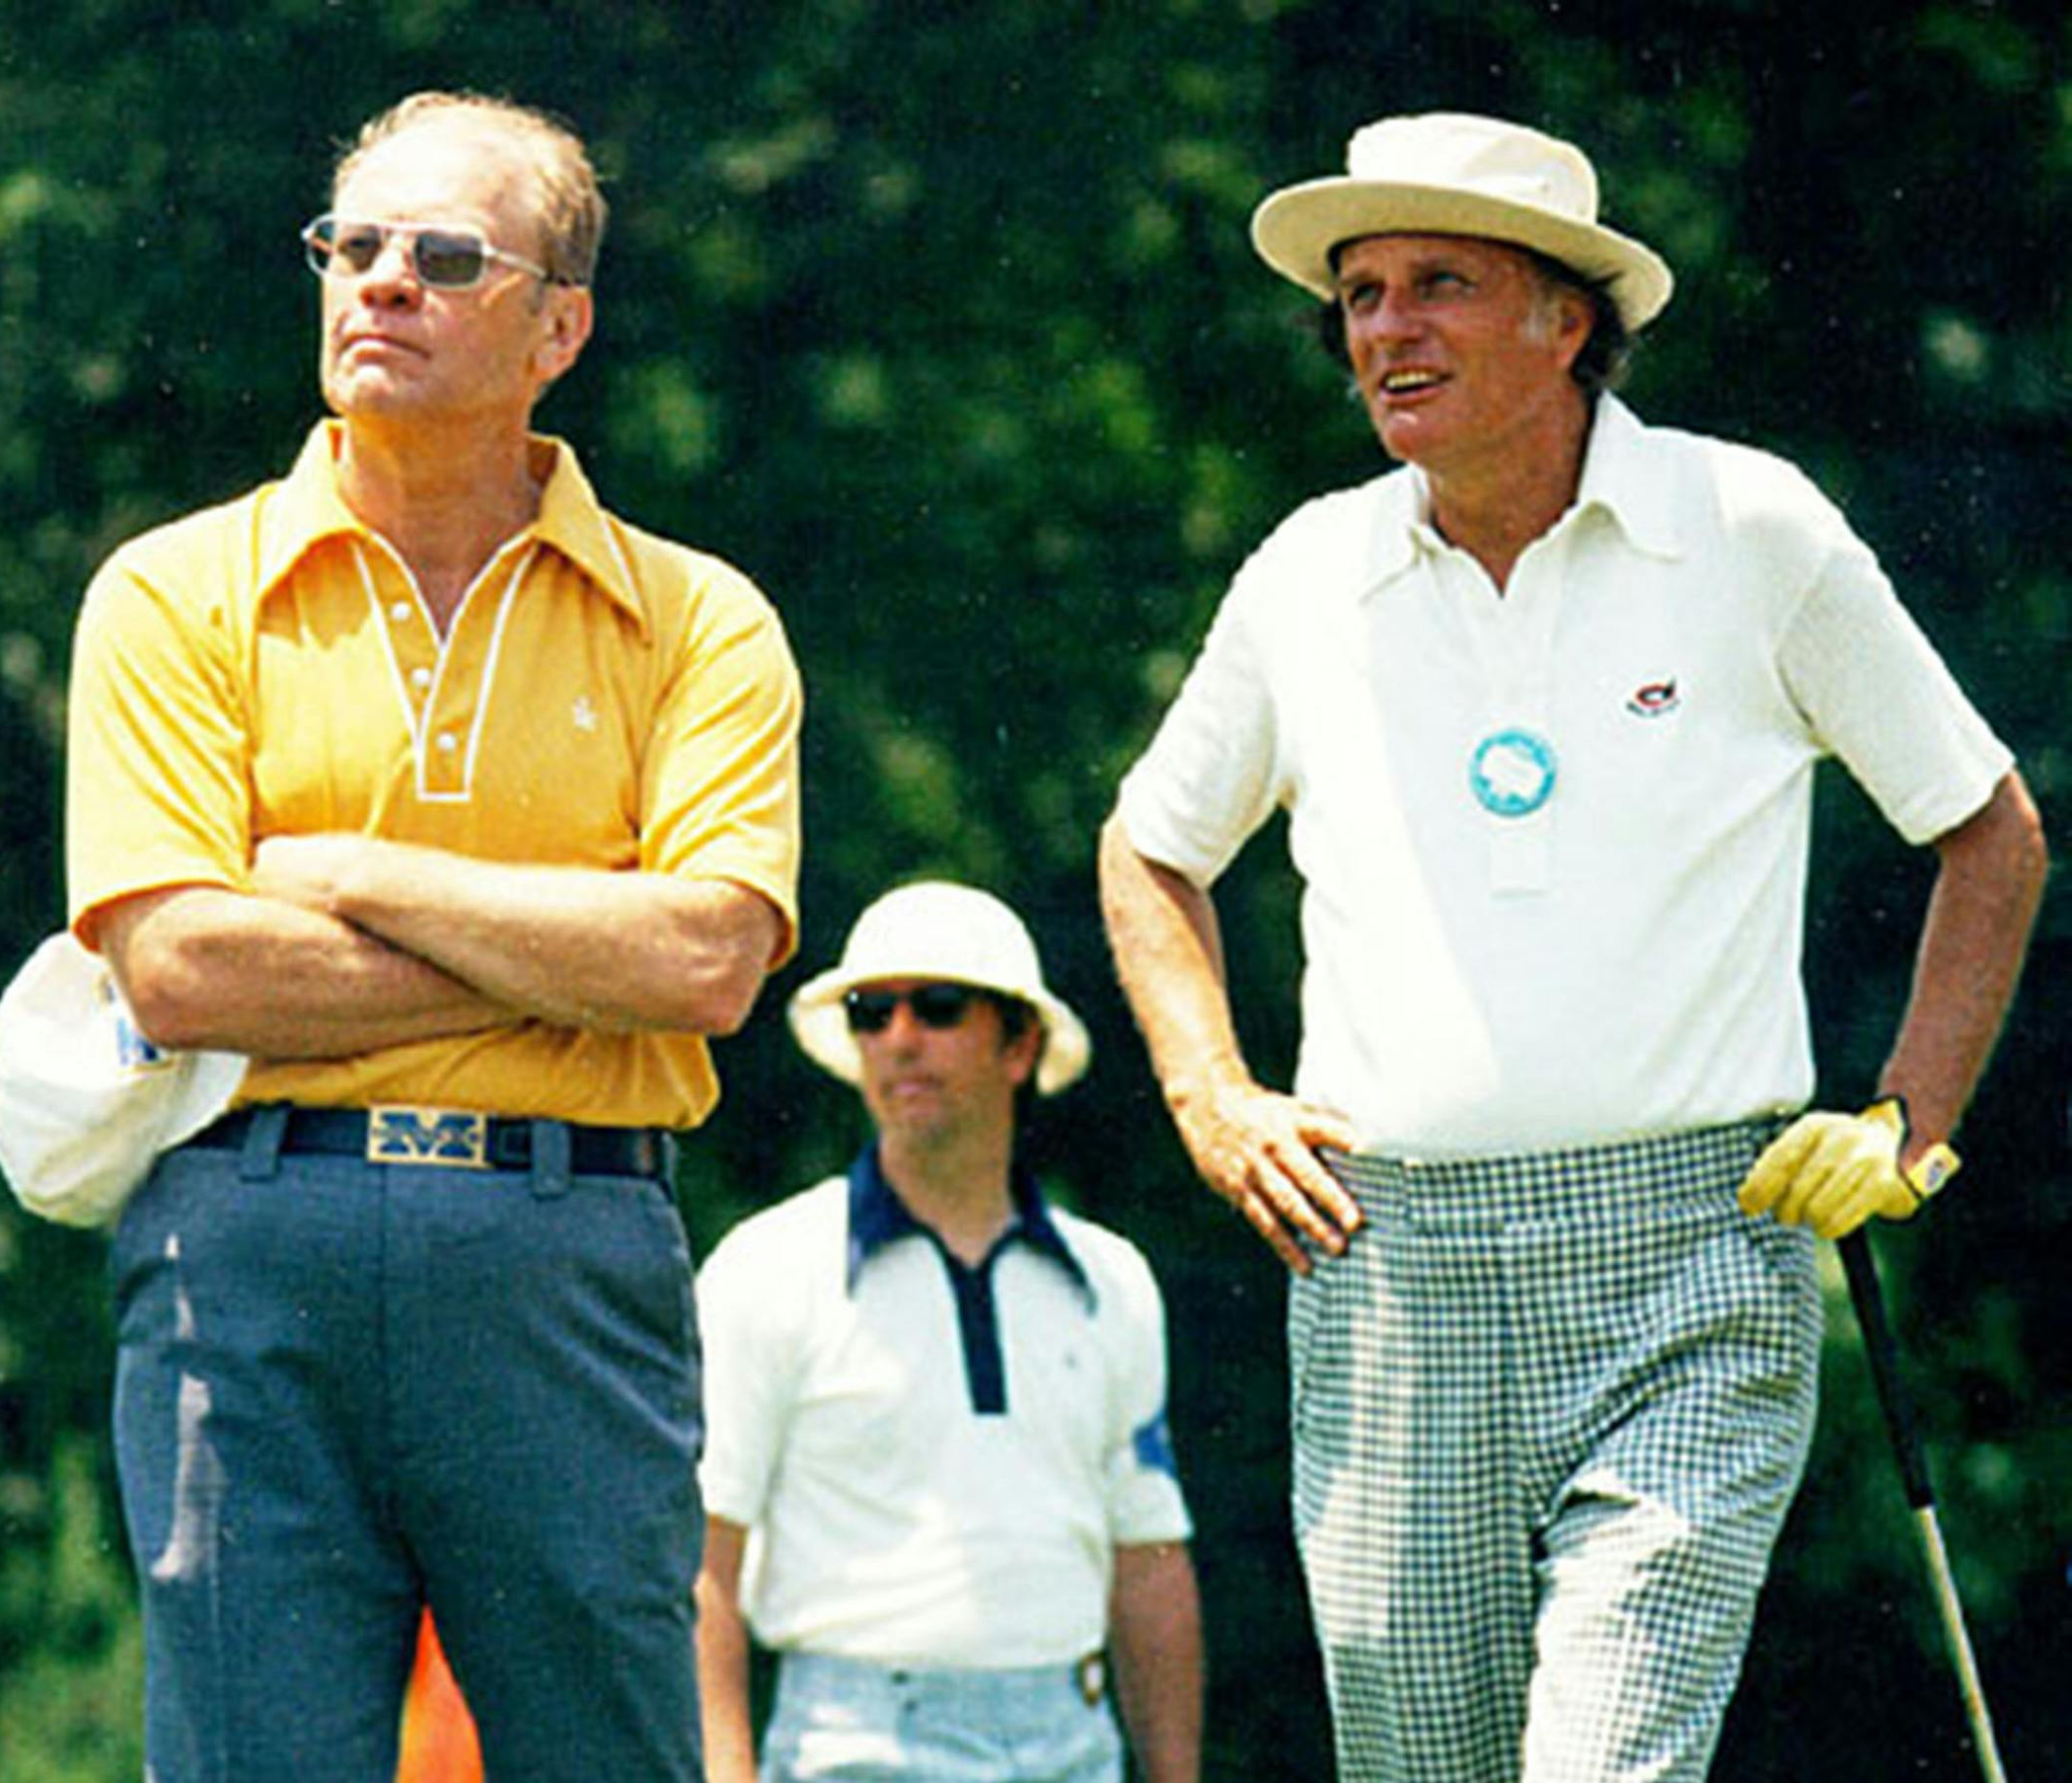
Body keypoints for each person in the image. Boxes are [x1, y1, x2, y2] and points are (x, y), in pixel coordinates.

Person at [1097, 111, 2046, 1783]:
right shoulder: (1312, 570)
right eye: (1363, 295)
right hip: (1387, 1269)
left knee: (1602, 1761)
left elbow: (1987, 826)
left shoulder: (1750, 528)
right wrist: (1211, 1096)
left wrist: (1911, 1121)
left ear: (1568, 319)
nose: (1387, 327)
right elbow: (1151, 849)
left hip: (1694, 1252)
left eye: (1440, 284)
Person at [65, 92, 802, 1782]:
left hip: (567, 1263)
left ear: (561, 327)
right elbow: (180, 970)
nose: (382, 282)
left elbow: (704, 963)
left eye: (445, 256)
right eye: (355, 245)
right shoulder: (171, 591)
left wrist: (338, 869)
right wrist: (565, 964)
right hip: (243, 1252)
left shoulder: (701, 619)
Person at [691, 882, 1204, 1783]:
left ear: (1022, 1042)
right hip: (847, 1745)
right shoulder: (766, 1266)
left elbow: (1150, 1563)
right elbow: (701, 1571)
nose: (899, 1038)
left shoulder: (1112, 1280)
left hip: (1074, 1745)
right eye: (870, 1011)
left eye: (936, 1006)